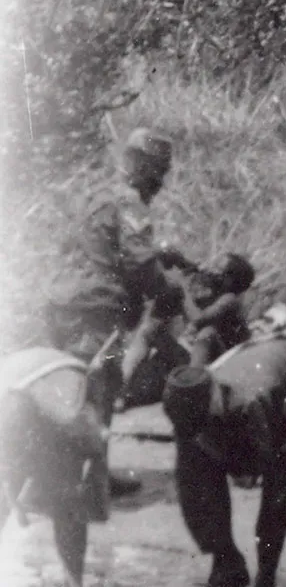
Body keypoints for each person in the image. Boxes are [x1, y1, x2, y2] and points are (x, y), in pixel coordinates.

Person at [53, 128, 198, 496]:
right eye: (158, 172)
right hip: (97, 307)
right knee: (97, 391)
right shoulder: (130, 202)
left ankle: (70, 474)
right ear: (142, 166)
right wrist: (169, 289)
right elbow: (139, 263)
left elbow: (98, 245)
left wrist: (158, 255)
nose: (160, 183)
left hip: (64, 300)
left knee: (69, 387)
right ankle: (91, 481)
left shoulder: (94, 194)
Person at [160, 336, 286, 587]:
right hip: (262, 376)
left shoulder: (251, 402)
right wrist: (220, 548)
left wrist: (266, 580)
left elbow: (275, 489)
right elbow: (191, 482)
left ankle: (265, 576)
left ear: (211, 406)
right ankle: (227, 564)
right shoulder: (187, 403)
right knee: (194, 467)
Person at [0, 347, 111, 587]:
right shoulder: (75, 385)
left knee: (13, 488)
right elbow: (79, 426)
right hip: (18, 408)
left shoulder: (62, 377)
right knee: (68, 502)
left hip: (14, 400)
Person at [182, 253, 258, 367]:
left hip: (230, 355)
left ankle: (193, 375)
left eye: (218, 268)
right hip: (218, 349)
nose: (211, 270)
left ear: (230, 280)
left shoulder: (230, 299)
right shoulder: (216, 293)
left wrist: (194, 324)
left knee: (207, 333)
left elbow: (206, 316)